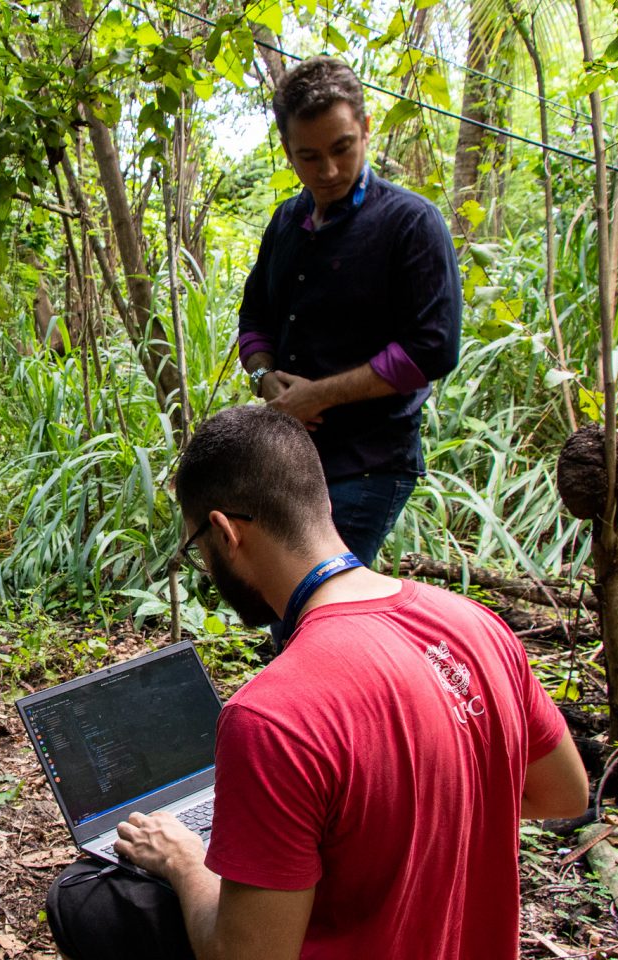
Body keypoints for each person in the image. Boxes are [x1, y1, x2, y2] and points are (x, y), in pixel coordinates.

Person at [45, 405, 588, 960]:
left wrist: (184, 860)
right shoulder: (478, 626)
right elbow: (565, 793)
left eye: (196, 551)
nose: (206, 567)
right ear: (320, 503)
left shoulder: (272, 716)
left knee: (86, 904)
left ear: (225, 533)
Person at [238, 56, 462, 568]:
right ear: (288, 153)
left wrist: (319, 395)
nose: (330, 170)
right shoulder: (287, 222)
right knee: (291, 604)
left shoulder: (410, 222)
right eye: (309, 157)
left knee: (315, 597)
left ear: (365, 127)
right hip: (293, 459)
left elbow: (432, 348)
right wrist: (265, 377)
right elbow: (254, 320)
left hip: (371, 461)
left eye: (342, 148)